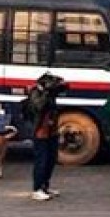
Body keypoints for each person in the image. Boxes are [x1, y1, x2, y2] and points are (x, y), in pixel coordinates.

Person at [22, 72, 67, 201]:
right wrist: (46, 92)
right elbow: (39, 106)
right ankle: (37, 189)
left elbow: (65, 88)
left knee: (51, 159)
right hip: (40, 130)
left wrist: (56, 87)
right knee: (41, 160)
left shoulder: (51, 93)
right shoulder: (35, 92)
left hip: (52, 129)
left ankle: (45, 186)